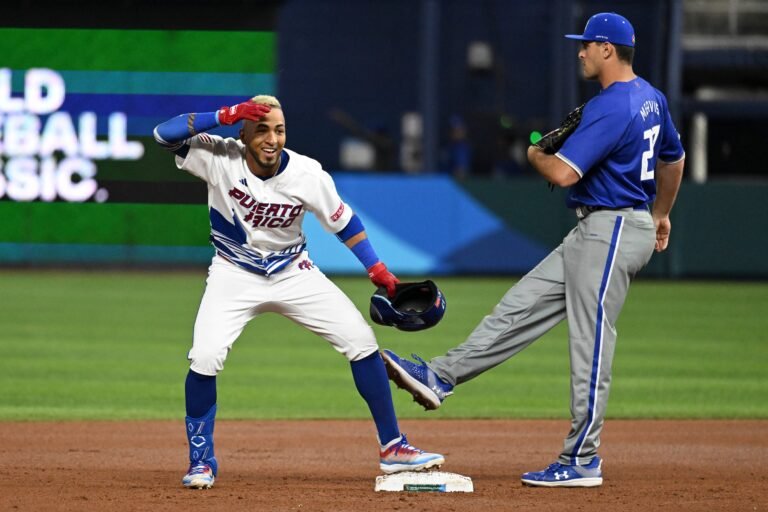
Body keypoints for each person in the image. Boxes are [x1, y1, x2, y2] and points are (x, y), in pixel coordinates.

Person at [381, 12, 685, 488]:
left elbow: (563, 173)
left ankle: (583, 459)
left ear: (608, 49)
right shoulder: (651, 98)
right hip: (606, 227)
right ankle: (441, 376)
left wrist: (534, 153)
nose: (580, 51)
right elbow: (674, 157)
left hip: (613, 228)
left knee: (590, 344)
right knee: (518, 307)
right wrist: (662, 214)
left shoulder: (613, 105)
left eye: (587, 44)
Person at [153, 95, 444, 489]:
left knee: (360, 340)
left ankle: (393, 446)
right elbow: (163, 134)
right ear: (243, 133)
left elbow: (344, 221)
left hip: (293, 271)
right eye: (262, 130)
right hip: (233, 273)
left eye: (280, 129)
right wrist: (223, 115)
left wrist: (376, 268)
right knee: (205, 356)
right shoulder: (220, 156)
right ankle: (201, 461)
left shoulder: (307, 174)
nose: (272, 139)